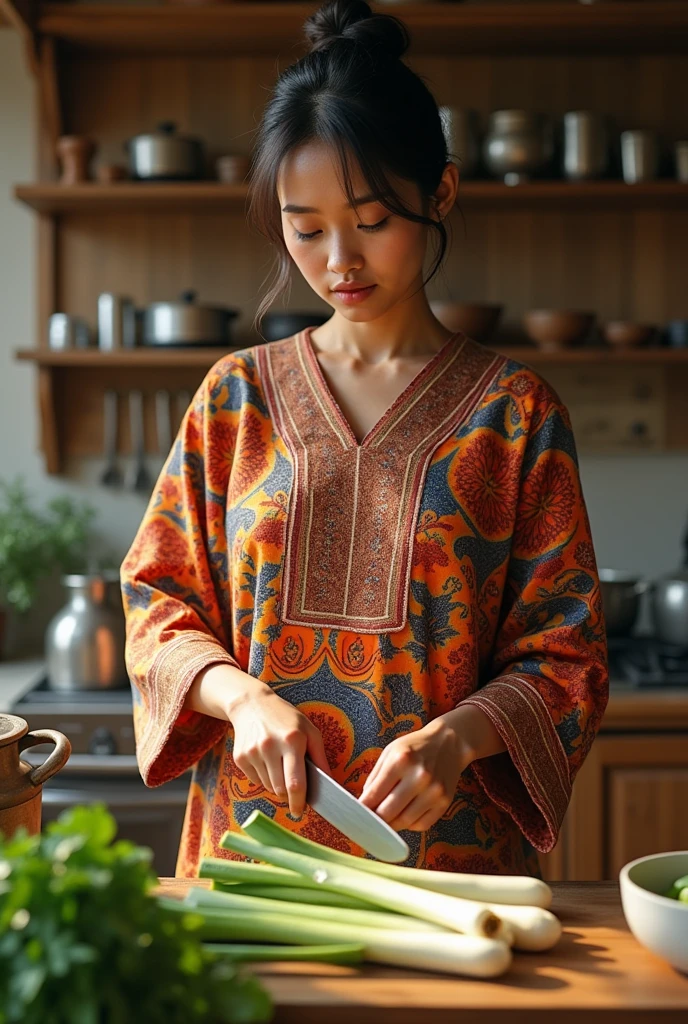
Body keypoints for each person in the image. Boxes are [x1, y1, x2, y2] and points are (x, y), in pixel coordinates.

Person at [120, 0, 608, 878]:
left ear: (441, 193)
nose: (340, 258)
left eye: (373, 219)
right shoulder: (235, 400)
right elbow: (158, 605)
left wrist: (459, 741)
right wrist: (241, 698)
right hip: (251, 865)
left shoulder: (518, 415)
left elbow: (566, 654)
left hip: (448, 877)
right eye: (304, 228)